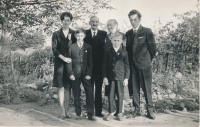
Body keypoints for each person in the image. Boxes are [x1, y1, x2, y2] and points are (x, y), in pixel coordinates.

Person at [126, 9, 156, 119]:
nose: (133, 22)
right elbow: (128, 50)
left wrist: (147, 61)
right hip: (132, 66)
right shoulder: (128, 33)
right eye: (131, 20)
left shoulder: (147, 31)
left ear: (139, 19)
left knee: (147, 88)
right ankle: (136, 110)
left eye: (135, 19)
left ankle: (150, 111)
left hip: (144, 65)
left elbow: (153, 49)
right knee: (134, 89)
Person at [67, 28, 96, 121]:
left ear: (84, 36)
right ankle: (78, 113)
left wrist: (89, 74)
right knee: (76, 94)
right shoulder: (71, 47)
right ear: (75, 36)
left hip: (86, 74)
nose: (80, 37)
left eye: (81, 36)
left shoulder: (88, 47)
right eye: (78, 36)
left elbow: (91, 62)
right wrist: (70, 73)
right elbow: (69, 62)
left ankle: (90, 114)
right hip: (75, 74)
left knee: (89, 93)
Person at [51, 12, 76, 119]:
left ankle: (67, 111)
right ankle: (62, 111)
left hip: (70, 64)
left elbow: (74, 48)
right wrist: (64, 58)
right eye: (64, 20)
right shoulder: (56, 34)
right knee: (61, 87)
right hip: (60, 64)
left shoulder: (74, 33)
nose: (66, 22)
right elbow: (54, 50)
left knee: (68, 87)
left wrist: (70, 40)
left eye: (68, 20)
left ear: (71, 21)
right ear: (61, 21)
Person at [102, 32, 130, 121]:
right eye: (114, 40)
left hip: (120, 77)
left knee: (120, 95)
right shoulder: (107, 51)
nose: (116, 42)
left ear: (121, 41)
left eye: (118, 40)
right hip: (110, 77)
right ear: (111, 40)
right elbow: (104, 65)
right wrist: (104, 77)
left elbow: (127, 66)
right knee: (110, 95)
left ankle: (119, 113)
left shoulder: (124, 52)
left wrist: (126, 78)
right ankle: (110, 112)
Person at [84, 16, 107, 117]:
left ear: (99, 22)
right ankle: (90, 112)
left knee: (98, 90)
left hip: (99, 67)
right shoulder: (85, 34)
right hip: (88, 67)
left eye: (96, 21)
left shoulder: (103, 34)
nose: (94, 23)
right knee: (89, 90)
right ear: (89, 22)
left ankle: (98, 111)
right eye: (92, 21)